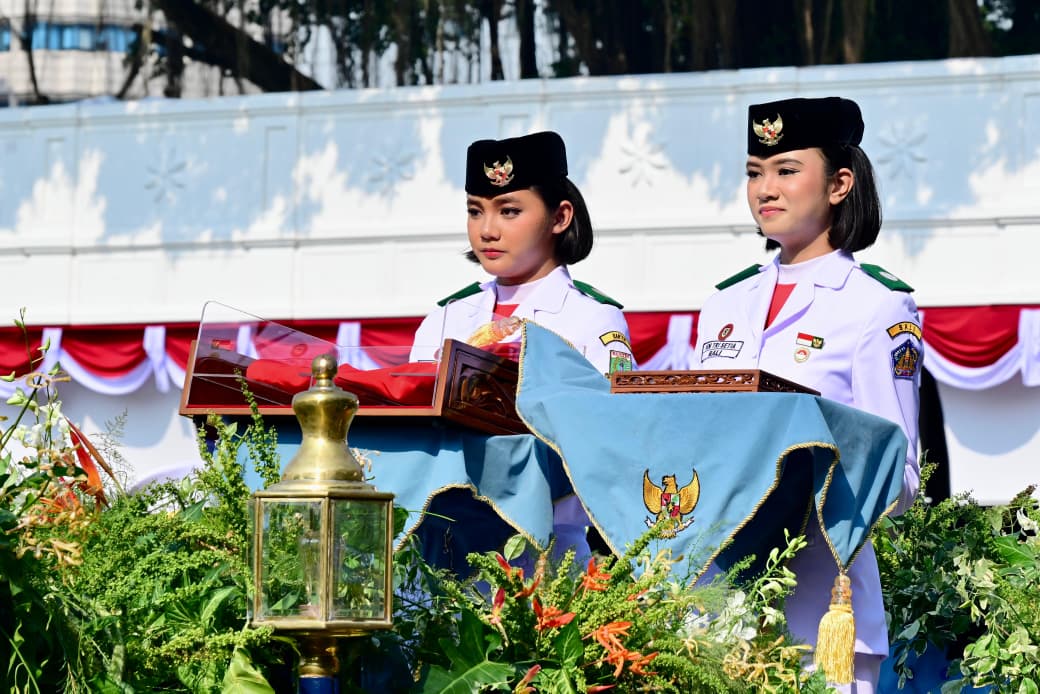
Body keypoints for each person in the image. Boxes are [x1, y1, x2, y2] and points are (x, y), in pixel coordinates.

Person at [694, 97, 922, 693]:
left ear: (841, 182)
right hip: (717, 608)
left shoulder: (877, 305)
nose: (765, 189)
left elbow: (900, 480)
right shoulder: (723, 304)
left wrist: (805, 474)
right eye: (753, 172)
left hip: (822, 609)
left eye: (787, 170)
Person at [410, 130, 635, 569]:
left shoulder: (592, 319)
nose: (487, 230)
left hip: (542, 548)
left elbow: (612, 445)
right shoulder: (446, 318)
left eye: (509, 211)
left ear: (560, 216)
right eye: (475, 211)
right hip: (439, 546)